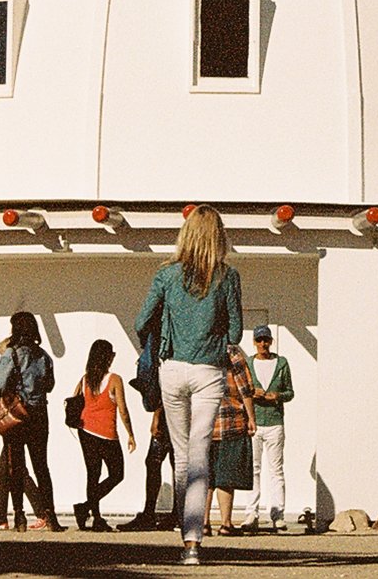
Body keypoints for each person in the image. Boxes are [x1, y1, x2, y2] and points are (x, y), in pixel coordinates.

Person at [134, 204, 244, 566]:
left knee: (181, 456)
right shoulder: (227, 277)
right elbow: (236, 332)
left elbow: (141, 319)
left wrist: (162, 337)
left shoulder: (167, 275)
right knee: (200, 454)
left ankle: (186, 531)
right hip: (209, 371)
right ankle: (193, 541)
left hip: (173, 368)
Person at [0, 311, 63, 531]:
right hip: (40, 414)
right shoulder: (44, 356)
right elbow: (49, 385)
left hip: (19, 415)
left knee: (16, 465)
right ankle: (51, 516)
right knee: (42, 467)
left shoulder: (11, 355)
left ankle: (19, 515)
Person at [71, 339, 135, 532]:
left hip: (85, 430)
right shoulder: (114, 379)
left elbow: (74, 399)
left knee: (93, 473)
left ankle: (93, 513)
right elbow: (123, 409)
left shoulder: (85, 379)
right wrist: (130, 434)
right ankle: (86, 508)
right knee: (117, 474)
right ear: (107, 357)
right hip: (106, 433)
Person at [236, 324, 293, 531]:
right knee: (253, 470)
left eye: (266, 340)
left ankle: (278, 514)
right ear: (254, 342)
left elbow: (290, 392)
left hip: (275, 422)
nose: (263, 344)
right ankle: (251, 513)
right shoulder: (248, 363)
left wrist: (276, 396)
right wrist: (254, 393)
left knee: (276, 470)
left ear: (271, 341)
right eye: (259, 340)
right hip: (254, 422)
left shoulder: (281, 363)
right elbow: (242, 389)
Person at [204, 345, 256, 536]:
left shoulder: (199, 348)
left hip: (204, 421)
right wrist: (251, 418)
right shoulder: (231, 351)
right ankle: (226, 523)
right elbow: (245, 388)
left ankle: (203, 523)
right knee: (225, 476)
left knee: (206, 476)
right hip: (231, 420)